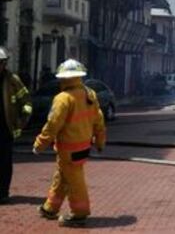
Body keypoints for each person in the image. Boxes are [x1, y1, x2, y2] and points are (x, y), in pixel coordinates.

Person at [33, 59, 106, 227]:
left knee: (74, 181)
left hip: (68, 148)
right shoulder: (89, 94)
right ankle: (50, 208)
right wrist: (100, 141)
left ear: (63, 78)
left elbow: (52, 125)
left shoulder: (63, 99)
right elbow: (99, 120)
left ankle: (79, 214)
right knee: (62, 177)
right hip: (83, 147)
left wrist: (40, 144)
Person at [0, 47, 33, 203]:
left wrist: (22, 120)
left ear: (4, 64)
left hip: (5, 129)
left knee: (5, 162)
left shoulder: (13, 80)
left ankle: (3, 192)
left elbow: (26, 101)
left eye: (1, 63)